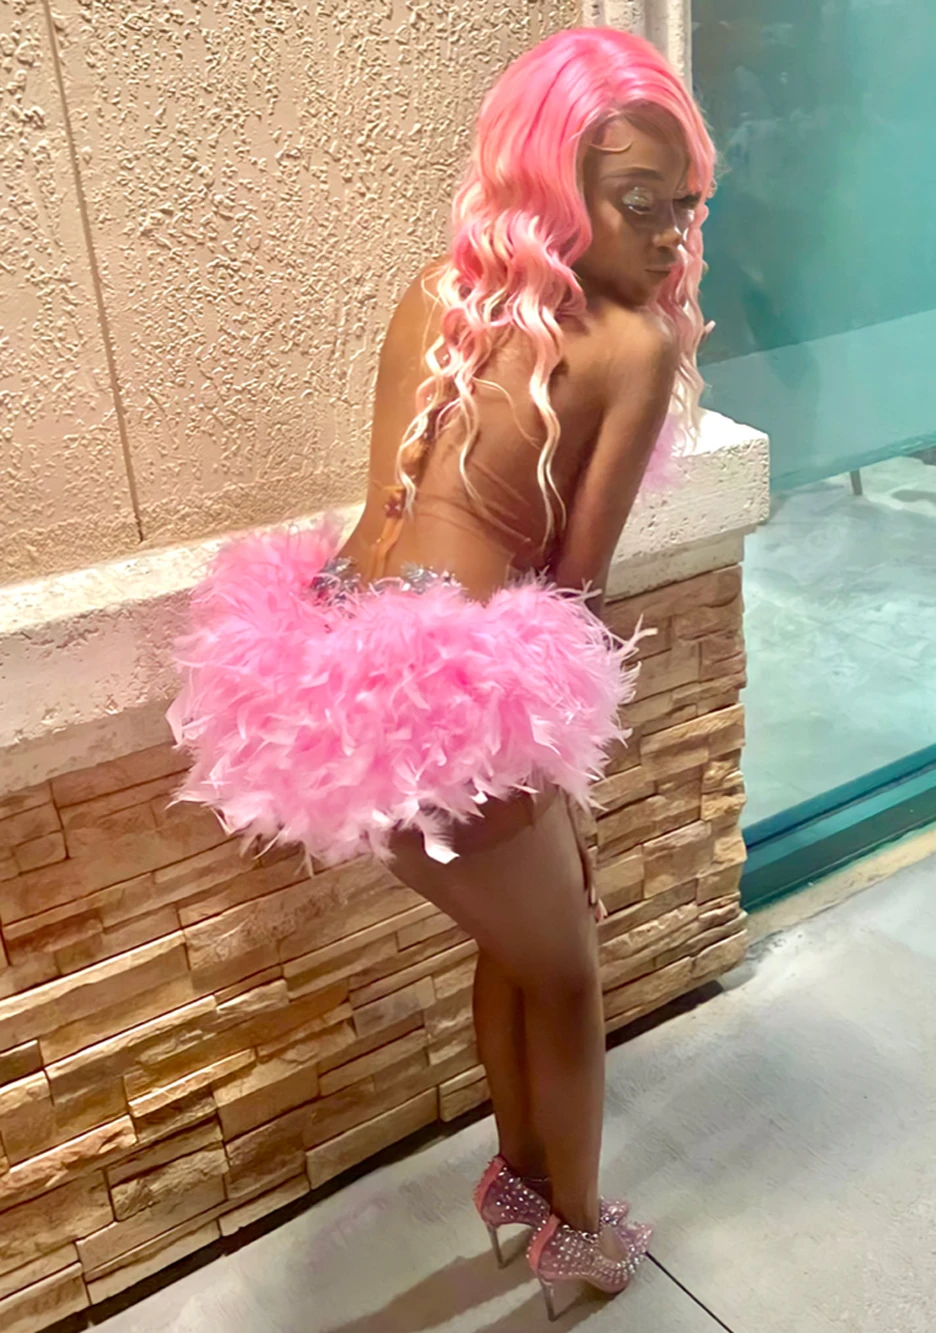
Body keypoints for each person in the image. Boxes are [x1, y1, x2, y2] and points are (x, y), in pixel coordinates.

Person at [169, 26, 714, 1318]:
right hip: (460, 698)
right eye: (642, 203)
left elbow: (394, 512)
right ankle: (577, 1232)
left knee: (521, 944)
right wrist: (546, 752)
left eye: (688, 207)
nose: (671, 240)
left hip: (339, 671)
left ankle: (520, 1183)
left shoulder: (442, 289)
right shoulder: (632, 347)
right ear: (553, 182)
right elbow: (573, 589)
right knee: (567, 969)